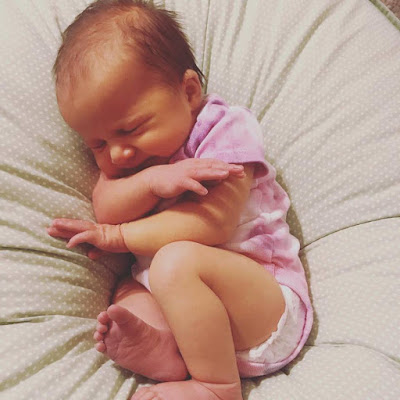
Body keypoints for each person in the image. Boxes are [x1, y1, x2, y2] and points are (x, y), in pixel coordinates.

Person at [47, 1, 313, 399]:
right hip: (192, 322)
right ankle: (168, 352)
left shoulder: (222, 130)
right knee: (127, 293)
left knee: (174, 262)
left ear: (188, 92)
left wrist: (117, 237)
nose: (118, 153)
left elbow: (213, 224)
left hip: (264, 308)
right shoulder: (133, 162)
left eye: (131, 129)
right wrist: (152, 182)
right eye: (98, 144)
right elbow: (106, 206)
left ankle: (217, 386)